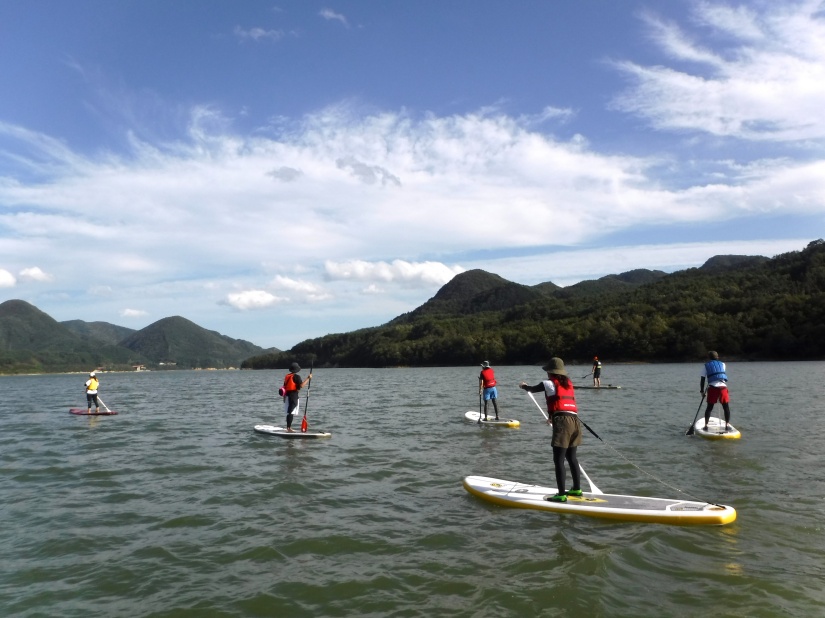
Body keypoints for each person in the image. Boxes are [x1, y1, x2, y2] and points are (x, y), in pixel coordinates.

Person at [519, 357, 582, 502]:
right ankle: (577, 489)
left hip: (563, 423)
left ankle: (561, 494)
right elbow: (559, 401)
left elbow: (532, 389)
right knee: (572, 457)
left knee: (558, 459)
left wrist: (523, 386)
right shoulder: (569, 384)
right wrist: (551, 416)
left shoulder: (548, 383)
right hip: (575, 421)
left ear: (550, 372)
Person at [700, 351, 732, 432]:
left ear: (709, 357)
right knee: (726, 407)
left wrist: (702, 391)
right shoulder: (723, 364)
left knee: (709, 407)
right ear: (717, 357)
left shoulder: (705, 366)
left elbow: (703, 379)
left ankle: (706, 426)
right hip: (723, 387)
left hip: (713, 388)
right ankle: (727, 425)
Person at [282, 362, 312, 432]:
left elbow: (284, 387)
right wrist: (308, 378)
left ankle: (288, 427)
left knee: (290, 411)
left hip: (287, 396)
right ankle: (288, 428)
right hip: (293, 396)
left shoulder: (287, 376)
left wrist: (283, 397)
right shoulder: (296, 377)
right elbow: (301, 386)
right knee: (291, 412)